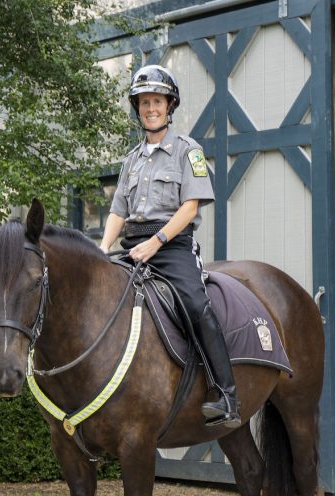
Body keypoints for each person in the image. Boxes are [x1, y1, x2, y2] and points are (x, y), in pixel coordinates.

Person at [99, 64, 240, 428]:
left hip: (172, 246)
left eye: (157, 101)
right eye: (144, 102)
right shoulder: (130, 161)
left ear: (170, 105)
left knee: (196, 304)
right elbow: (118, 211)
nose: (151, 108)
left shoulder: (187, 151)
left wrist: (156, 242)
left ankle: (226, 393)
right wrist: (102, 250)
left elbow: (190, 206)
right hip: (132, 245)